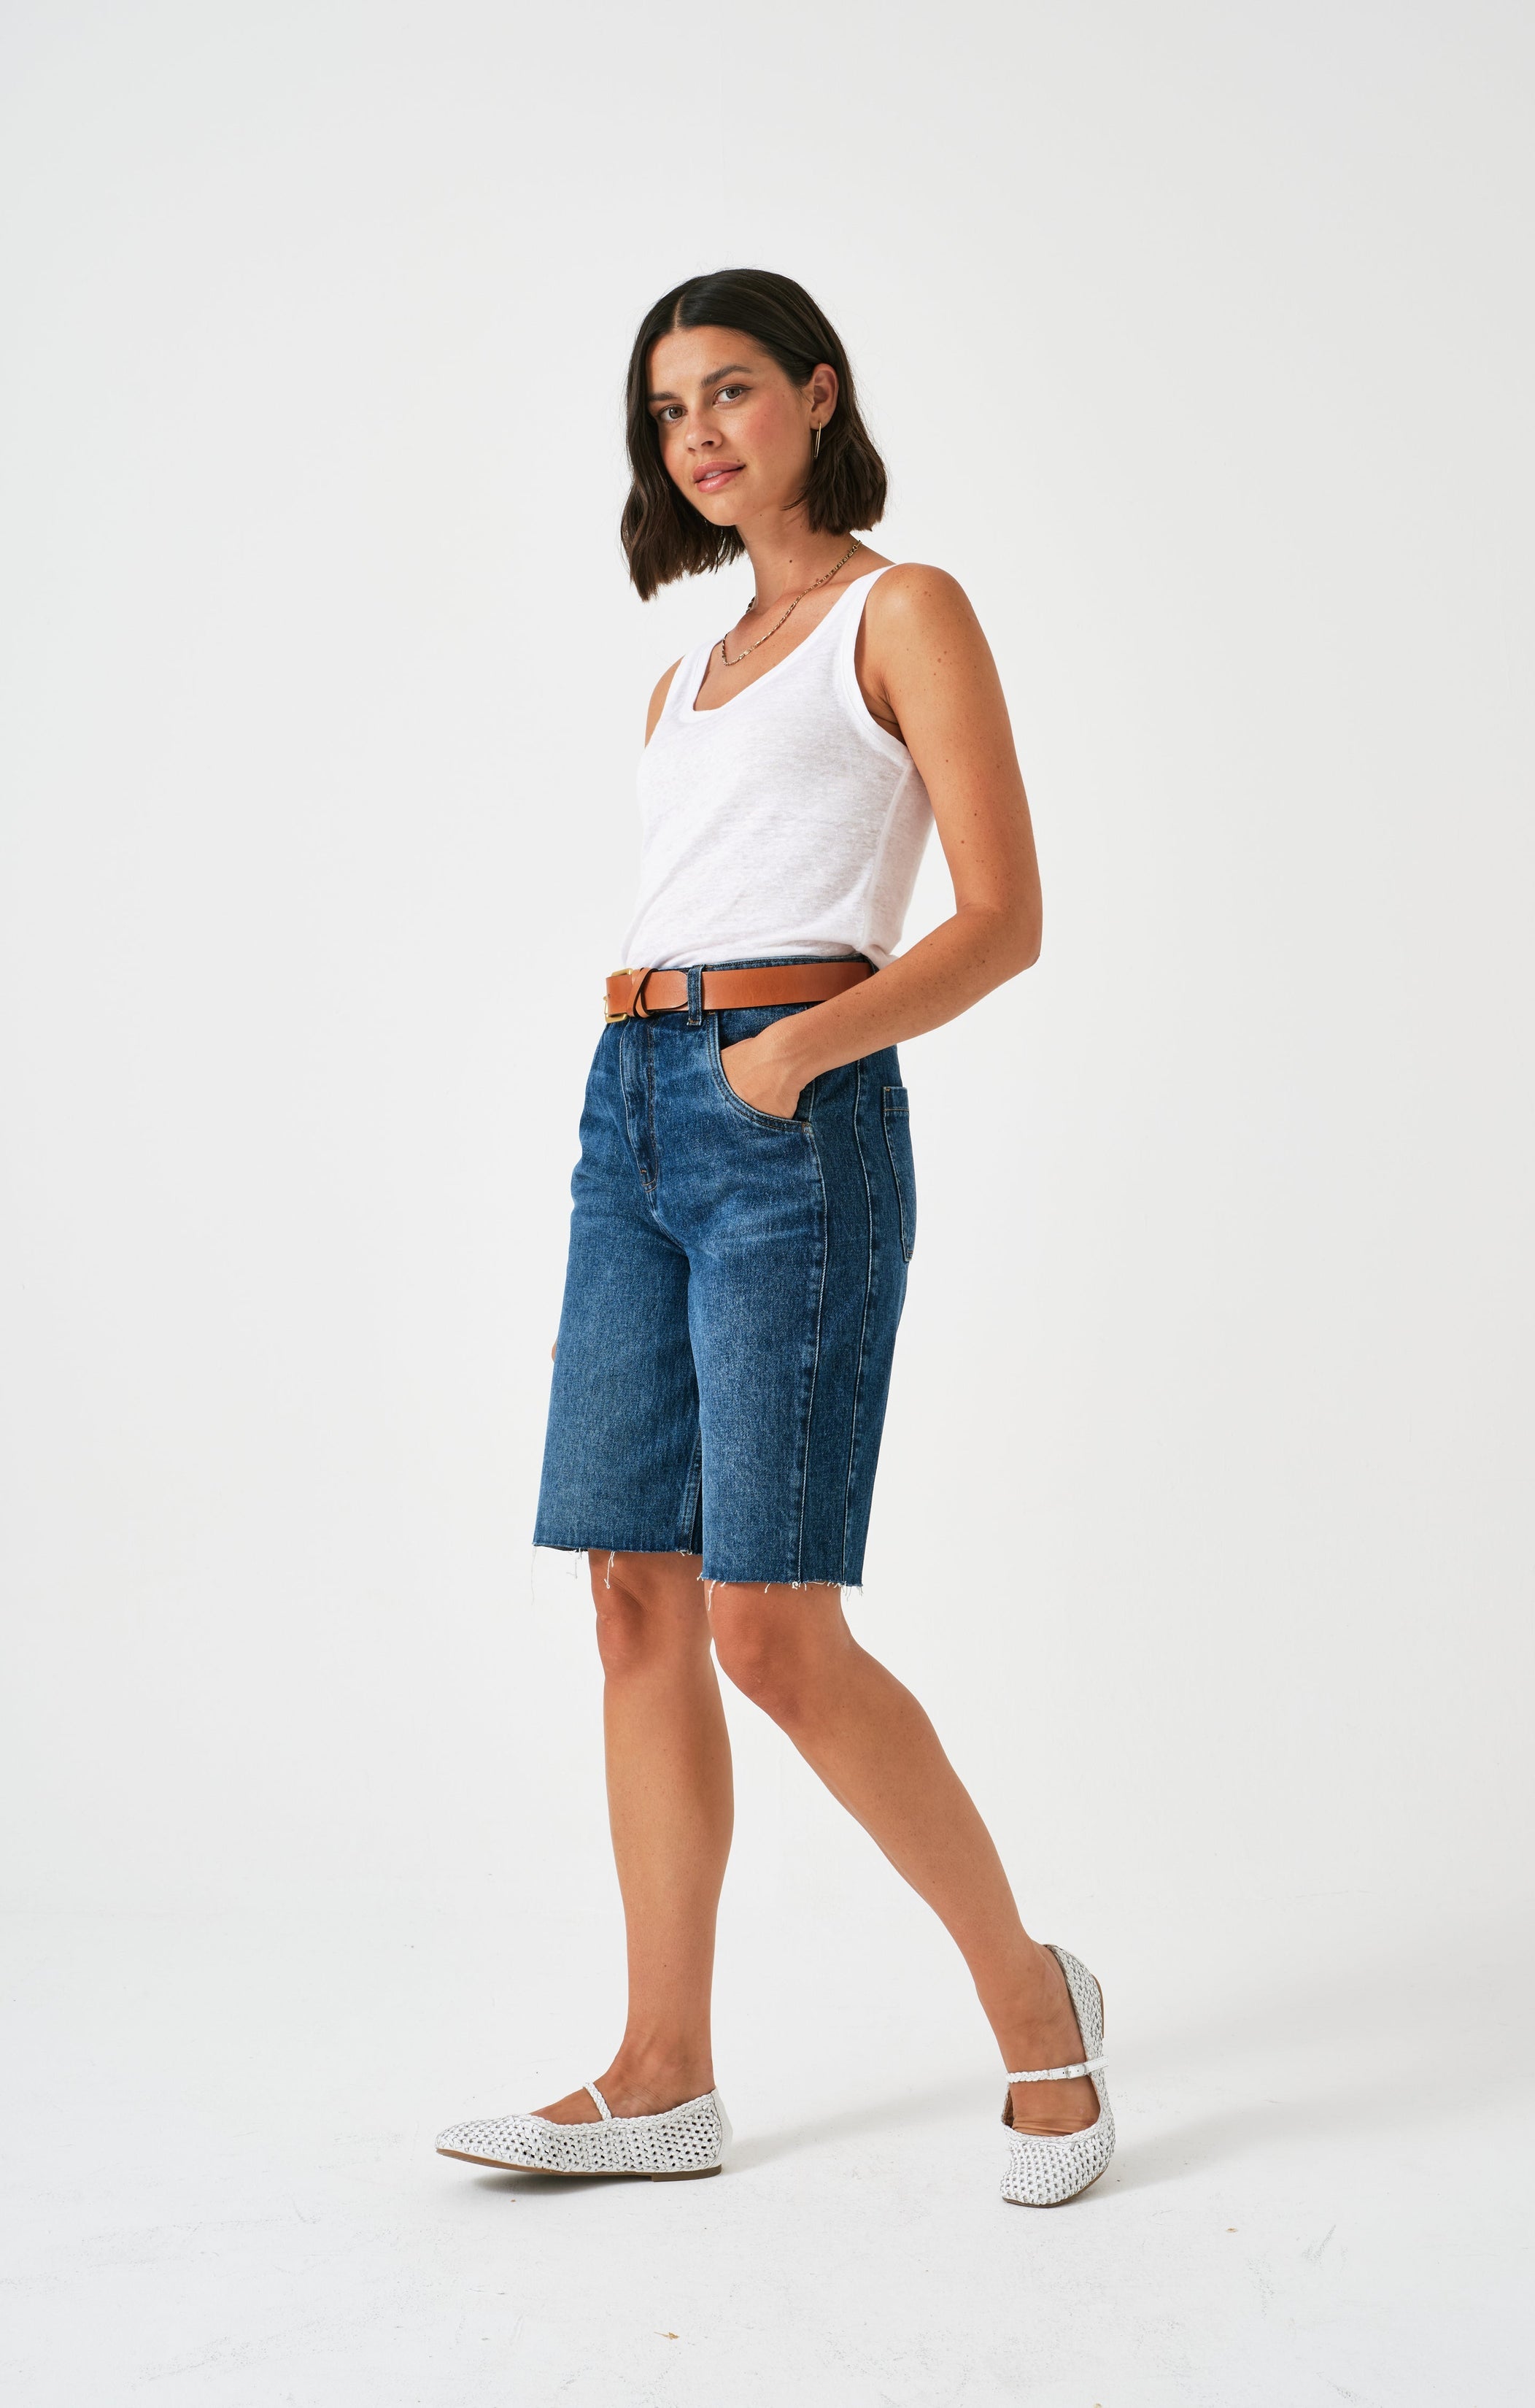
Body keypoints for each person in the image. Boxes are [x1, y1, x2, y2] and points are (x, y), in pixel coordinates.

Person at [436, 269, 1112, 2207]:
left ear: (819, 397)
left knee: (773, 1629)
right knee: (632, 1599)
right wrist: (682, 1077)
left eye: (734, 391)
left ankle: (1035, 2005)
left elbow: (1002, 914)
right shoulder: (687, 672)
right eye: (668, 412)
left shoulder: (906, 613)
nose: (702, 434)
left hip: (783, 1118)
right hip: (629, 1104)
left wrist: (791, 1058)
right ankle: (661, 2071)